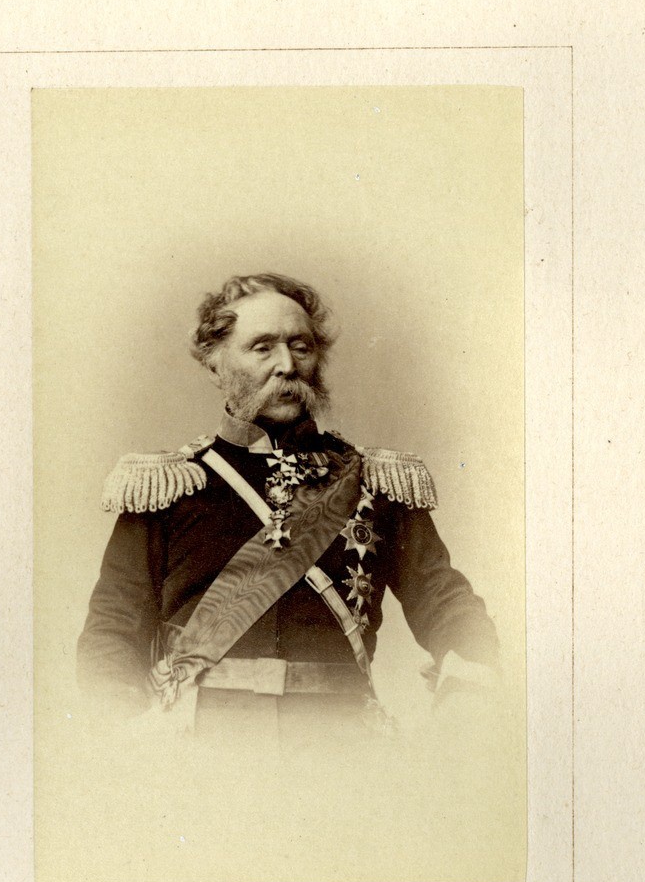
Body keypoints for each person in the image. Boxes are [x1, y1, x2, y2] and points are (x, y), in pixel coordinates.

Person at [76, 273, 499, 738]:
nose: (287, 365)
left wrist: (469, 679)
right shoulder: (169, 487)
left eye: (301, 347)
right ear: (216, 365)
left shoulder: (375, 482)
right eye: (262, 348)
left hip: (341, 743)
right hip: (202, 743)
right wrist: (117, 724)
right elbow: (112, 628)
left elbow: (443, 599)